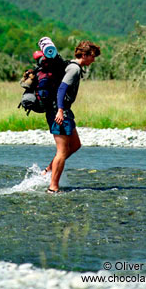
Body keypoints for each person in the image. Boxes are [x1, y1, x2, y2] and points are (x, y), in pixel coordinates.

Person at [43, 40, 100, 193]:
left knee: (75, 145)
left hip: (64, 111)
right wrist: (60, 111)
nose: (94, 59)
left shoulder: (73, 66)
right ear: (85, 54)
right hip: (60, 112)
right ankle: (53, 187)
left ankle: (48, 171)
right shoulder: (74, 69)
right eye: (93, 56)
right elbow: (62, 89)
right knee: (62, 151)